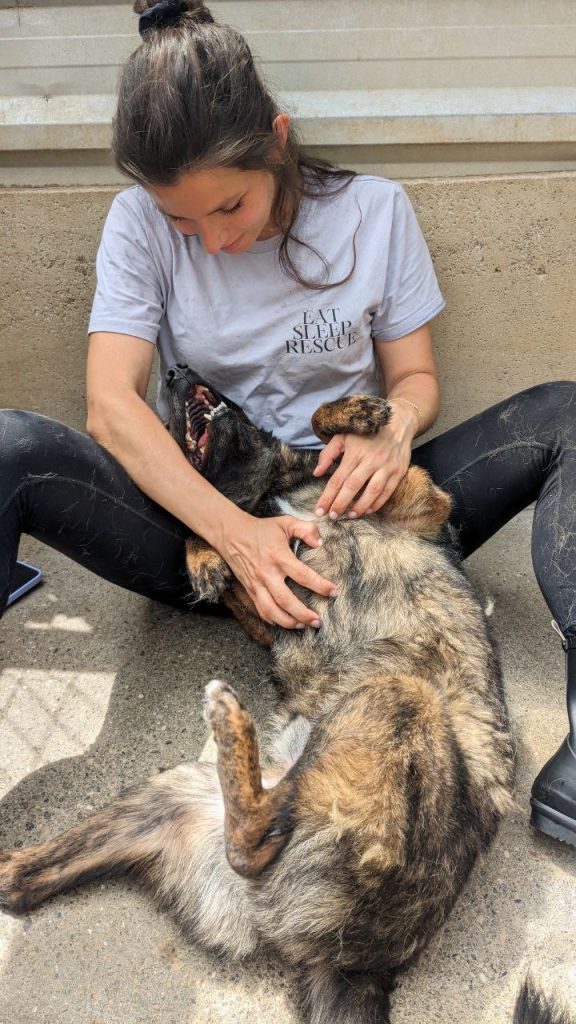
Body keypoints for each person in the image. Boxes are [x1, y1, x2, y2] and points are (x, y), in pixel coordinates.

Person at [1, 0, 575, 846]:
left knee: (567, 410)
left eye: (228, 207)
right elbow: (110, 407)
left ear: (276, 139)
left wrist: (397, 428)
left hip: (361, 523)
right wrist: (237, 537)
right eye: (180, 221)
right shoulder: (135, 227)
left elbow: (415, 376)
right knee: (11, 446)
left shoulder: (374, 212)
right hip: (207, 539)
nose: (212, 240)